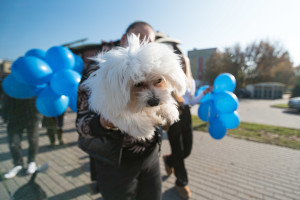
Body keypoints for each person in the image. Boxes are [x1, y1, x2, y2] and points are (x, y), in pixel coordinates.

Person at [76, 21, 162, 200]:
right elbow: (82, 125)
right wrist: (104, 122)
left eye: (150, 43)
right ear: (124, 39)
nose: (143, 47)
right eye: (139, 39)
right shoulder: (97, 72)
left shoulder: (156, 72)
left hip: (151, 157)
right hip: (115, 164)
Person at [156, 35, 213, 199]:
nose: (181, 64)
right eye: (178, 62)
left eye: (183, 62)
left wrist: (203, 93)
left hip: (187, 114)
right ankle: (181, 182)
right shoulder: (168, 80)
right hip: (174, 115)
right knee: (179, 151)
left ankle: (169, 160)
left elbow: (192, 101)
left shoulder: (190, 81)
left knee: (187, 150)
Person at [2, 93, 42, 179]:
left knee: (33, 139)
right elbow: (6, 97)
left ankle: (31, 162)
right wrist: (5, 116)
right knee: (13, 142)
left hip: (32, 115)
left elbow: (40, 95)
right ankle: (18, 164)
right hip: (14, 116)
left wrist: (39, 116)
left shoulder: (32, 82)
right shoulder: (12, 81)